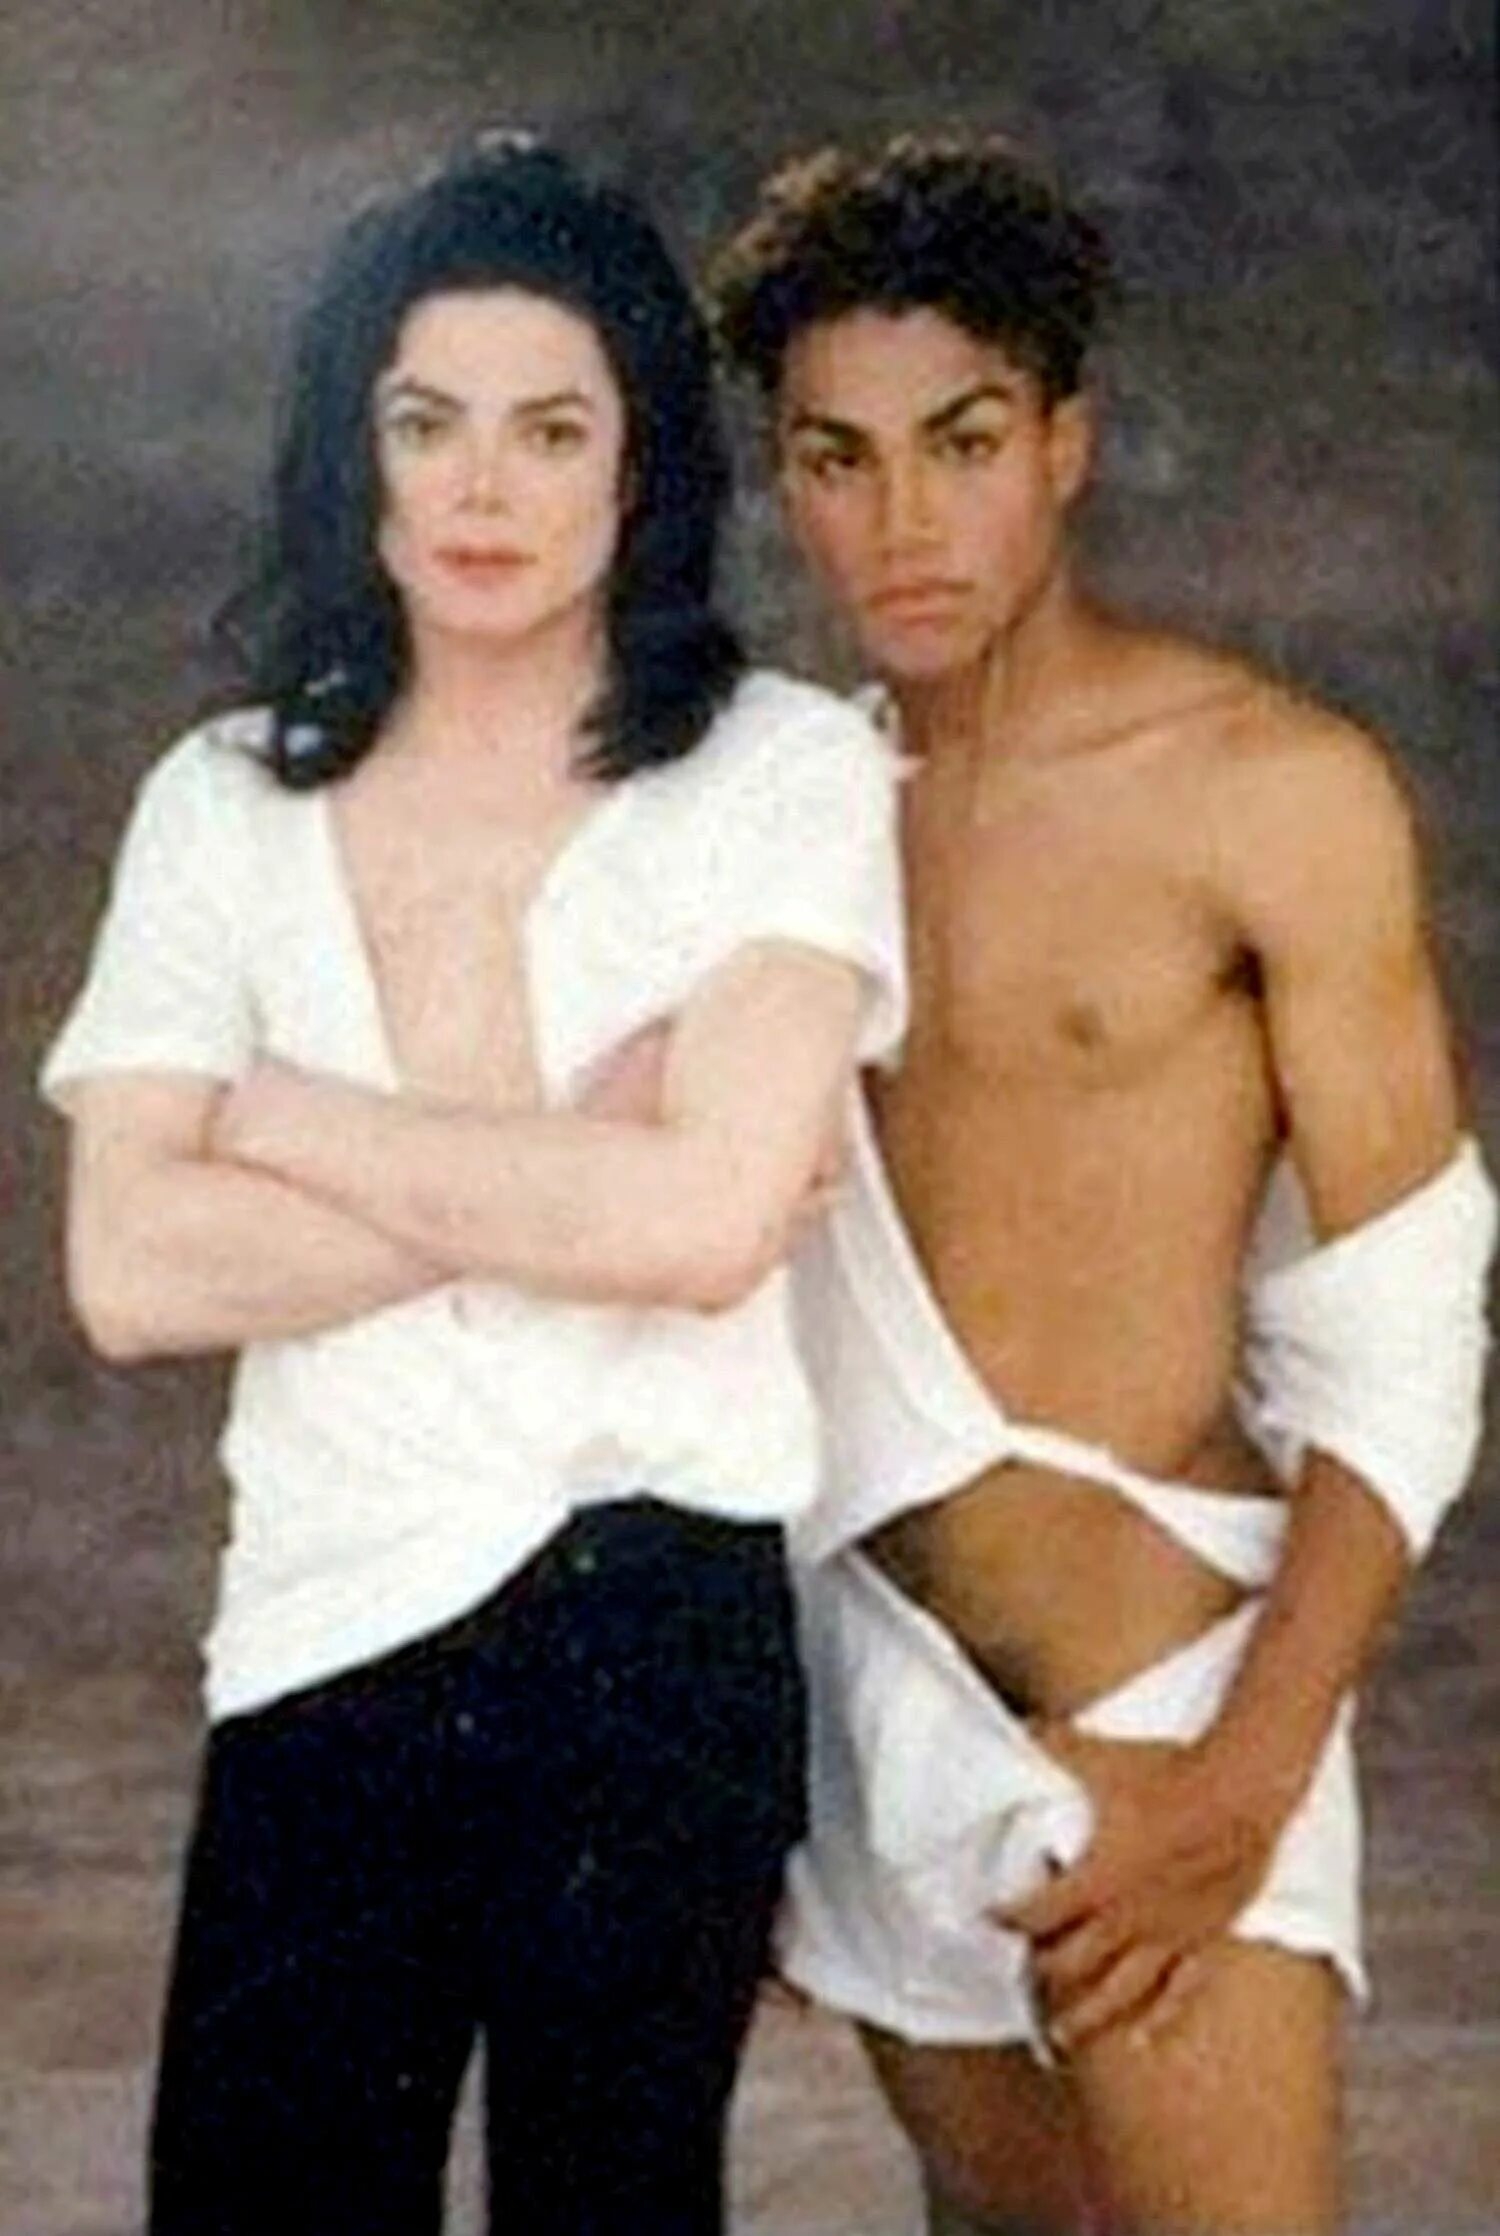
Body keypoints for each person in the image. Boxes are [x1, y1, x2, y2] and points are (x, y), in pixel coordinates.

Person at [39, 134, 906, 2236]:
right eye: (429, 424)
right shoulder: (223, 802)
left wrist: (275, 1110)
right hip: (327, 1608)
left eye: (551, 429)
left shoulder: (779, 768)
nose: (484, 490)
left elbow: (705, 1230)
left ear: (640, 463)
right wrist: (576, 1153)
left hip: (656, 1624)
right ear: (360, 452)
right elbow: (132, 1267)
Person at [705, 134, 1495, 2234]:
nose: (904, 521)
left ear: (1065, 441)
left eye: (962, 443)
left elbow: (1406, 1350)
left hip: (1164, 1711)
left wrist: (1244, 1780)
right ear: (784, 479)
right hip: (873, 1708)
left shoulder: (1274, 793)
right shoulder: (777, 811)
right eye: (839, 457)